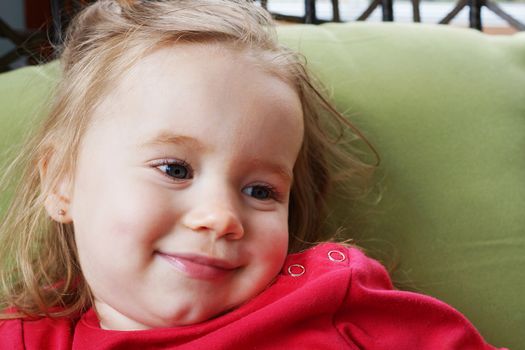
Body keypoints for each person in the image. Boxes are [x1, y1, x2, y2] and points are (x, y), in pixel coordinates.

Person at [0, 0, 506, 349]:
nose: (221, 217)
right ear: (60, 181)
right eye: (175, 169)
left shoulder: (330, 303)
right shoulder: (25, 339)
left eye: (261, 191)